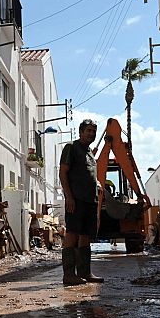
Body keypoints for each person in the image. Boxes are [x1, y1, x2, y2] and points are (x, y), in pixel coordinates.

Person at [59, 119, 104, 286]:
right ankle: (69, 275)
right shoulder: (71, 147)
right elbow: (63, 173)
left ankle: (85, 272)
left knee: (85, 235)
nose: (91, 134)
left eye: (93, 131)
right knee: (72, 234)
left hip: (90, 201)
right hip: (76, 200)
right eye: (88, 130)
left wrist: (97, 185)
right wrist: (69, 197)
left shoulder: (90, 153)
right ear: (81, 132)